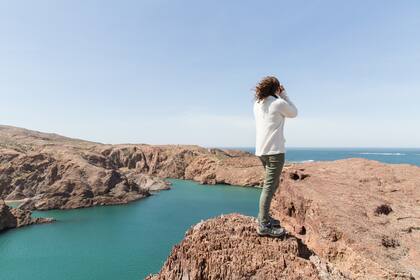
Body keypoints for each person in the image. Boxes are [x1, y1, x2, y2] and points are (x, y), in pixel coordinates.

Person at [253, 76, 298, 237]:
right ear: (276, 88)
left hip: (262, 151)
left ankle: (264, 218)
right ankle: (263, 224)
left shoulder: (257, 104)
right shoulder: (278, 103)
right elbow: (294, 112)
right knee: (269, 187)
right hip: (275, 151)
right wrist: (284, 94)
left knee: (271, 185)